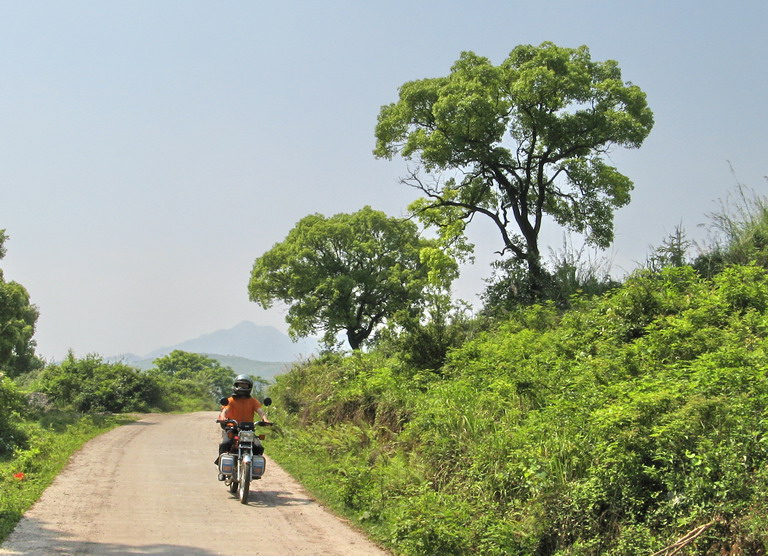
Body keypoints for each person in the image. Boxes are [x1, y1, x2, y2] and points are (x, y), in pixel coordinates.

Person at [215, 375, 269, 467]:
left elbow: (260, 411)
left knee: (258, 447)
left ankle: (253, 467)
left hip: (248, 430)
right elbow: (225, 410)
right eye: (240, 385)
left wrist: (265, 419)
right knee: (226, 443)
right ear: (235, 386)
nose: (242, 387)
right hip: (233, 427)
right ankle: (220, 464)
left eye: (245, 385)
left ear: (249, 387)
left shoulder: (253, 401)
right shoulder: (230, 400)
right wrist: (223, 417)